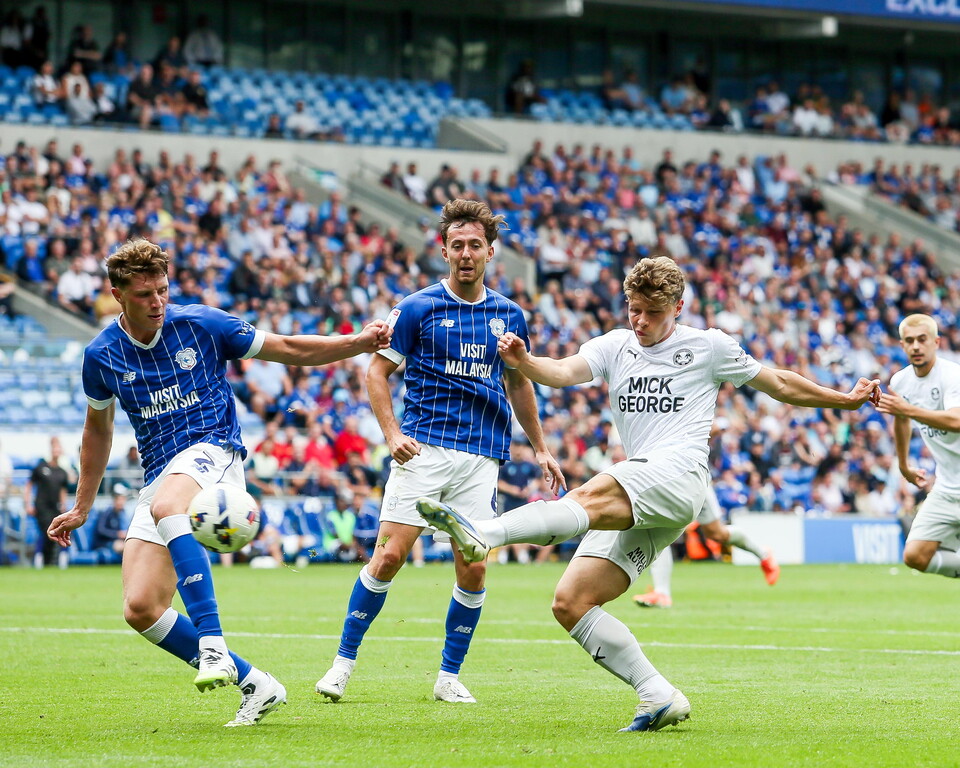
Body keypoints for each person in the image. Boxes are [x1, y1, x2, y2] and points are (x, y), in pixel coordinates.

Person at [420, 256, 880, 732]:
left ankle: (484, 533)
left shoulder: (709, 347)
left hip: (679, 475)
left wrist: (842, 399)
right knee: (571, 601)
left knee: (593, 492)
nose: (639, 321)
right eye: (633, 309)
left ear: (678, 307)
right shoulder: (615, 345)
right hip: (649, 491)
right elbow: (561, 371)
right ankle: (657, 694)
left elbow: (780, 383)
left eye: (651, 313)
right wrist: (525, 362)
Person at [46, 238, 391, 727]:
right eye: (144, 294)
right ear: (117, 294)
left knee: (170, 507)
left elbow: (286, 347)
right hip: (160, 474)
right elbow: (96, 430)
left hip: (215, 451)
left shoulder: (202, 324)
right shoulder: (101, 355)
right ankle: (257, 684)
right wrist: (81, 506)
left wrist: (356, 342)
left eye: (163, 290)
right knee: (141, 607)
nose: (157, 302)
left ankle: (212, 644)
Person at [315, 199, 564, 705]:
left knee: (473, 566)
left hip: (482, 456)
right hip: (423, 449)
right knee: (388, 557)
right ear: (444, 251)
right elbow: (377, 371)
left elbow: (519, 384)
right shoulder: (416, 307)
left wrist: (540, 448)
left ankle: (448, 675)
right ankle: (341, 665)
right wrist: (390, 434)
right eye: (458, 246)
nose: (466, 254)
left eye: (475, 245)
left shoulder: (509, 315)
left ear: (491, 252)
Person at [877, 314, 960, 580]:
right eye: (909, 341)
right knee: (915, 555)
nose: (916, 346)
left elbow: (957, 420)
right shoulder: (900, 382)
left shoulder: (952, 375)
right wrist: (903, 464)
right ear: (902, 345)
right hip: (947, 488)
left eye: (922, 340)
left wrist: (909, 409)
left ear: (935, 342)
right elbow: (902, 420)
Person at [632, 486, 779, 608]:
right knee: (658, 526)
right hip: (664, 481)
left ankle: (763, 553)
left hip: (693, 478)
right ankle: (662, 593)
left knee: (717, 533)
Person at [25, 436, 70, 568]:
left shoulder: (62, 472)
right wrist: (28, 503)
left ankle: (50, 562)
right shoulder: (41, 467)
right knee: (47, 532)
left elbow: (63, 490)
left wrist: (63, 506)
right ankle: (43, 559)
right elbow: (29, 485)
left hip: (55, 508)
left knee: (54, 533)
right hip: (41, 506)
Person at [92, 483, 130, 557]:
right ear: (115, 500)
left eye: (123, 499)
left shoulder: (123, 514)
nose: (121, 502)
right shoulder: (107, 513)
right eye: (120, 499)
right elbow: (101, 530)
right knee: (122, 546)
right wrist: (117, 534)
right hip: (104, 542)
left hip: (118, 541)